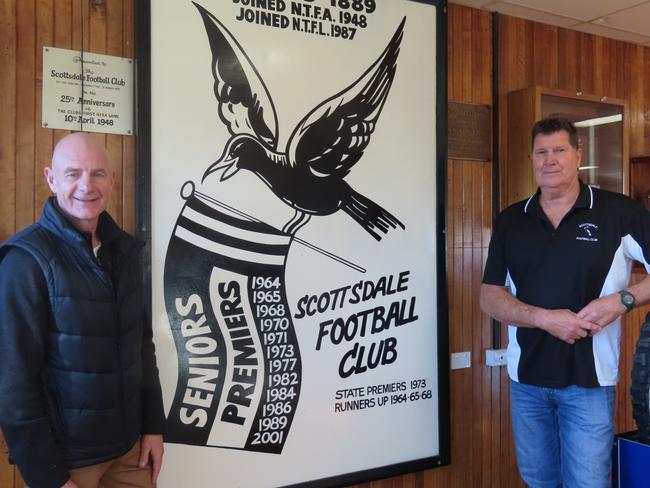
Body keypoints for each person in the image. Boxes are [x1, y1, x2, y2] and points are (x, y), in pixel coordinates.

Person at [480, 117, 650, 488]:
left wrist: (620, 301)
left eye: (559, 150)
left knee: (587, 483)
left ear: (578, 155)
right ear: (531, 158)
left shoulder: (620, 213)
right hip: (526, 382)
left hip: (589, 382)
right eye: (541, 152)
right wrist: (544, 319)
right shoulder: (512, 220)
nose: (550, 160)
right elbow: (490, 297)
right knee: (539, 481)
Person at [0, 132, 165, 488]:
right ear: (51, 178)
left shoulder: (124, 252)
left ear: (113, 180)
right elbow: (12, 380)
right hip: (68, 464)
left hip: (130, 451)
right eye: (73, 173)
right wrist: (47, 476)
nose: (86, 185)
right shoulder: (25, 261)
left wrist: (153, 426)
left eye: (98, 173)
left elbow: (142, 344)